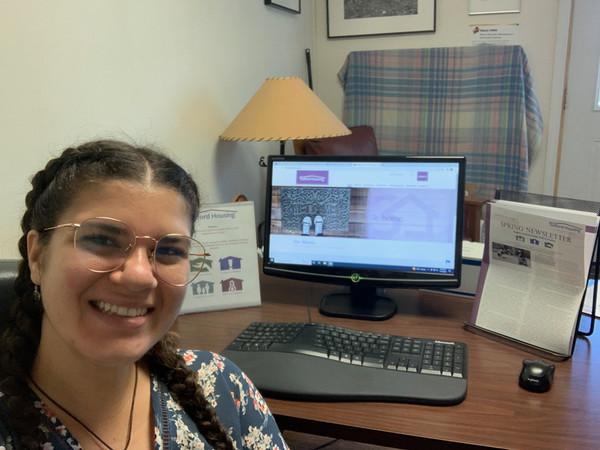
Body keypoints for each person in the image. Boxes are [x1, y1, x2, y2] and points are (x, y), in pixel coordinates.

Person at [0, 140, 289, 449]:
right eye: (101, 239)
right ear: (36, 256)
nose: (140, 276)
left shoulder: (220, 385)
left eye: (168, 250)